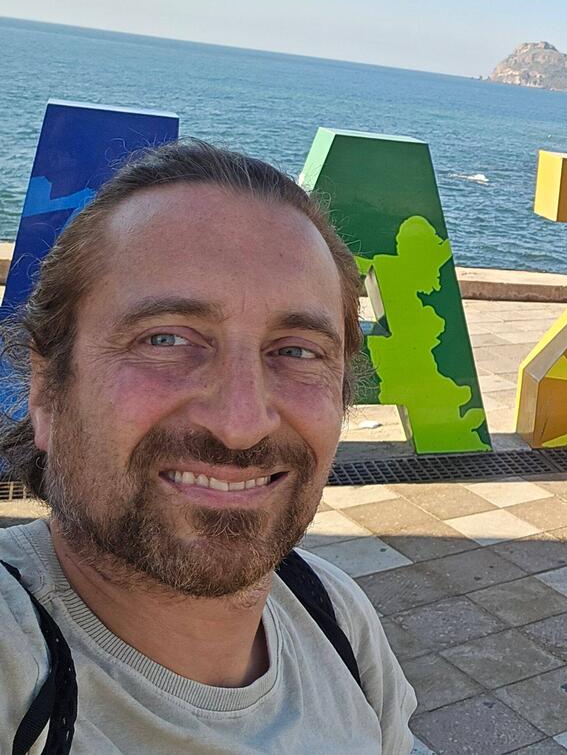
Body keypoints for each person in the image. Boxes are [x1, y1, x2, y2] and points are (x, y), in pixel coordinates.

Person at [0, 140, 417, 753]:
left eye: (296, 351)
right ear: (45, 389)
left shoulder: (335, 615)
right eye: (165, 339)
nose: (241, 424)